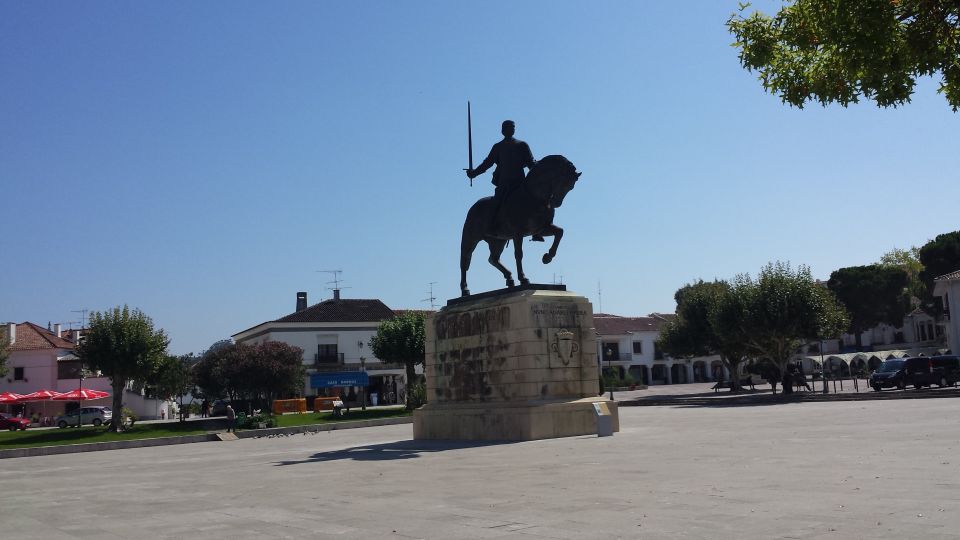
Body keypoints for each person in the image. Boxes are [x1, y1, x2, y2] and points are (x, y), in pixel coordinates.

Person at [466, 120, 543, 240]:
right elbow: (487, 163)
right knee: (496, 203)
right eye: (507, 127)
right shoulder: (498, 147)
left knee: (536, 201)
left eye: (512, 127)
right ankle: (491, 226)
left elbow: (531, 164)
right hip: (504, 184)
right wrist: (474, 173)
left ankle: (537, 230)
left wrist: (542, 168)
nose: (510, 129)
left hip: (520, 184)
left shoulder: (522, 145)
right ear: (502, 130)